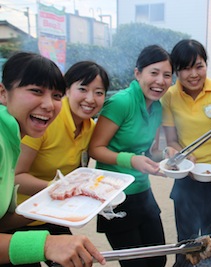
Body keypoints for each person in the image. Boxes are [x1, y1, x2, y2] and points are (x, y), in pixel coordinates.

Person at [0, 52, 105, 266]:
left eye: (57, 96)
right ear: (3, 93)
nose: (49, 105)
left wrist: (62, 197)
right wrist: (45, 244)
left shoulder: (12, 137)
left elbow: (3, 222)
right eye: (36, 91)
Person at [89, 45, 173, 267]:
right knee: (135, 265)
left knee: (158, 259)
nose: (160, 81)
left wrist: (167, 155)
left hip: (143, 192)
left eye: (167, 75)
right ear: (138, 74)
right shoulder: (121, 102)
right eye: (153, 73)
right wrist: (130, 160)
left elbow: (149, 151)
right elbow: (95, 148)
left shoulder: (158, 108)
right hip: (114, 194)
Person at [160, 39, 211, 243]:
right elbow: (171, 140)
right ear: (176, 70)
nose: (194, 74)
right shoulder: (169, 96)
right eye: (186, 68)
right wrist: (184, 155)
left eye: (199, 66)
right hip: (187, 173)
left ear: (206, 65)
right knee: (185, 240)